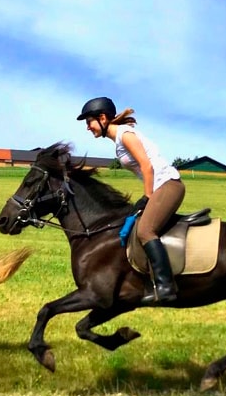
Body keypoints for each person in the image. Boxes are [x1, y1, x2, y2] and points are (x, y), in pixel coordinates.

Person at [77, 97, 185, 305]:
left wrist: (147, 197)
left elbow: (147, 166)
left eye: (89, 122)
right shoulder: (119, 140)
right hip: (160, 186)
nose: (88, 128)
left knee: (145, 231)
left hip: (169, 184)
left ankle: (165, 286)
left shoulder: (125, 136)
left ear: (102, 118)